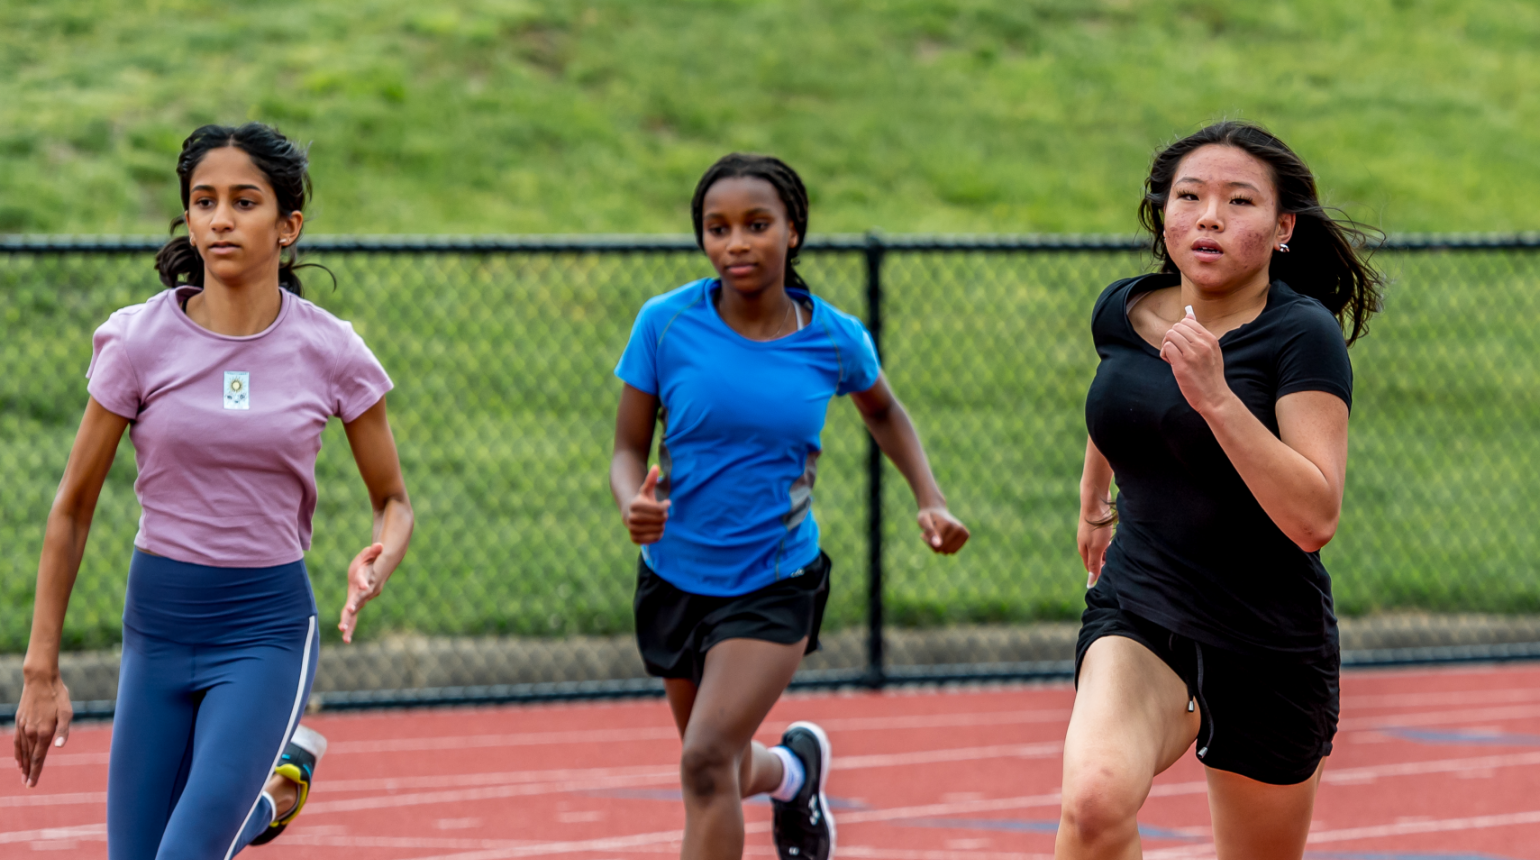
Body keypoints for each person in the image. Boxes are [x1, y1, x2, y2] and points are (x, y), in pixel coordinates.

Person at [12, 122, 414, 858]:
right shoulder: (137, 342)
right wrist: (42, 668)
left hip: (263, 632)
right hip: (157, 628)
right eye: (203, 201)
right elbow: (71, 508)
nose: (221, 218)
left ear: (288, 225)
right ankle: (270, 802)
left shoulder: (332, 350)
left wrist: (381, 553)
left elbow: (395, 499)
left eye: (244, 201)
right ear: (188, 220)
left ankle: (256, 803)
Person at [611, 153, 969, 860]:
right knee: (724, 762)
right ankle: (796, 774)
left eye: (755, 224)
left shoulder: (832, 338)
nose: (735, 242)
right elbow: (627, 447)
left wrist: (930, 499)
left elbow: (886, 411)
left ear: (793, 231)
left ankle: (789, 776)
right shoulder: (665, 324)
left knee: (705, 762)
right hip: (674, 577)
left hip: (774, 582)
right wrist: (633, 503)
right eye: (717, 229)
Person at [1058, 120, 1384, 860]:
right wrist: (1093, 503)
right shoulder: (1124, 310)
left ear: (1282, 229)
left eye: (1240, 202)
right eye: (1190, 197)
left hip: (1266, 634)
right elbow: (1115, 403)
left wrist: (1217, 397)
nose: (1210, 215)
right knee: (1094, 801)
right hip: (1140, 606)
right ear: (1162, 215)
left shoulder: (1301, 336)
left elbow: (1314, 516)